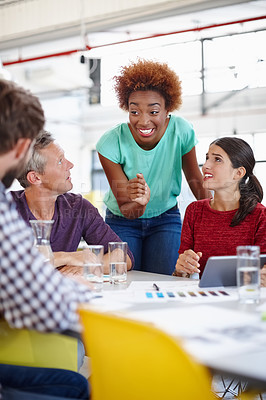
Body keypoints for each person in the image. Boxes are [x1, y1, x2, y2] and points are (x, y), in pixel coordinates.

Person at [0, 79, 91, 399]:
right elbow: (45, 309)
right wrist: (74, 286)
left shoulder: (76, 205)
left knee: (75, 382)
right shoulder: (4, 209)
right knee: (80, 387)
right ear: (22, 148)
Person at [96, 59, 210, 275]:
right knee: (124, 282)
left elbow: (195, 180)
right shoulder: (110, 143)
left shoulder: (181, 131)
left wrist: (217, 212)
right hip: (122, 220)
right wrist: (140, 202)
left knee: (165, 281)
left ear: (168, 109)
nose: (143, 121)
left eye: (154, 112)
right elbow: (127, 208)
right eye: (134, 111)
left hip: (165, 217)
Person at [11, 130, 134, 275]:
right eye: (60, 161)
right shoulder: (6, 209)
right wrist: (68, 257)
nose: (70, 165)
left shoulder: (78, 207)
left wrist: (86, 268)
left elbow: (125, 258)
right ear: (35, 178)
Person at [174, 136, 266, 280]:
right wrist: (182, 269)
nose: (205, 166)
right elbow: (182, 275)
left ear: (238, 173)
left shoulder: (260, 215)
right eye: (207, 158)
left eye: (217, 159)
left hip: (243, 296)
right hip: (203, 296)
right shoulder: (194, 211)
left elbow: (262, 272)